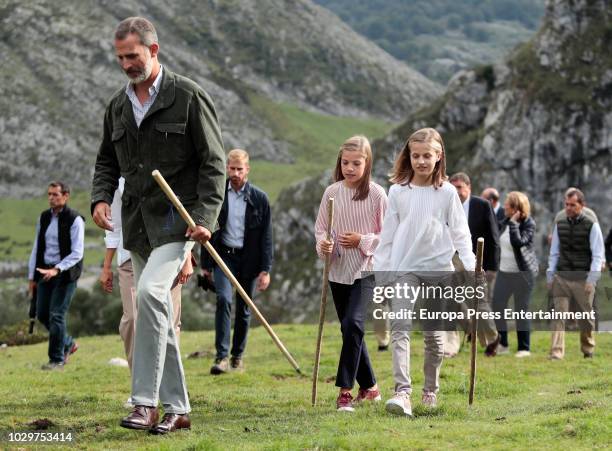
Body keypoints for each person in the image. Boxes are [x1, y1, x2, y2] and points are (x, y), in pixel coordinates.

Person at [91, 17, 225, 434]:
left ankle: (145, 402)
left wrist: (204, 220)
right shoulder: (117, 105)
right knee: (156, 308)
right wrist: (99, 196)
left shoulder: (187, 96)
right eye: (120, 58)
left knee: (150, 293)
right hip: (136, 224)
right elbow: (106, 161)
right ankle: (178, 409)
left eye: (132, 55)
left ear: (154, 50)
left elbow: (214, 164)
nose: (126, 64)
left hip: (178, 222)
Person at [373, 128, 476, 416]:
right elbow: (388, 237)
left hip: (438, 271)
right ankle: (402, 392)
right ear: (409, 156)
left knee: (433, 336)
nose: (420, 161)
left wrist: (470, 267)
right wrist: (382, 276)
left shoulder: (447, 193)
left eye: (426, 156)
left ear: (438, 156)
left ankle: (430, 391)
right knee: (400, 328)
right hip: (405, 269)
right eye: (415, 155)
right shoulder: (398, 191)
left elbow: (460, 233)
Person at [315, 135, 386, 412]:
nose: (350, 168)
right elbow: (321, 227)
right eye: (346, 162)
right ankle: (370, 388)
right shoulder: (331, 192)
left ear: (367, 164)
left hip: (366, 270)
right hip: (338, 270)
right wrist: (324, 244)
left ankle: (345, 391)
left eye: (356, 163)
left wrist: (363, 240)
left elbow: (389, 237)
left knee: (353, 324)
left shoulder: (378, 194)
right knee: (350, 327)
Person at [99, 177, 193, 376]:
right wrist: (106, 266)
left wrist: (186, 259)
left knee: (169, 321)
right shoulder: (120, 179)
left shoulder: (169, 167)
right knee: (133, 319)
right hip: (129, 257)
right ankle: (139, 387)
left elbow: (182, 212)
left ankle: (169, 386)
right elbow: (114, 225)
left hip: (169, 253)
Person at [202, 149, 273, 375]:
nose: (234, 173)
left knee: (244, 309)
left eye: (239, 169)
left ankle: (237, 356)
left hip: (249, 260)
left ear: (247, 170)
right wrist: (206, 265)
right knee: (223, 299)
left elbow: (267, 236)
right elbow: (207, 230)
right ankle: (221, 357)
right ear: (226, 168)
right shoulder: (218, 195)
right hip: (224, 256)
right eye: (231, 169)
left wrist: (265, 269)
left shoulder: (260, 199)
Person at [28, 181, 83, 370]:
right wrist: (31, 278)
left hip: (66, 274)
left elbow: (77, 253)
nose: (51, 198)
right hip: (44, 272)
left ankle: (57, 359)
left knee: (56, 315)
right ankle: (68, 343)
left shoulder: (75, 219)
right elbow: (37, 247)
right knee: (42, 314)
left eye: (55, 194)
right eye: (49, 194)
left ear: (66, 196)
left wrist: (58, 269)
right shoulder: (43, 218)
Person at [547, 188, 605, 360]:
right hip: (562, 277)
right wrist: (551, 276)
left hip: (583, 278)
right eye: (566, 204)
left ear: (581, 205)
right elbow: (554, 252)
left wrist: (592, 279)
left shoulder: (591, 225)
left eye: (573, 205)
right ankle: (556, 352)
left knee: (586, 318)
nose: (569, 208)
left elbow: (597, 254)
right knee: (558, 315)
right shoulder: (560, 223)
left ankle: (588, 349)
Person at [447, 172, 500, 357]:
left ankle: (492, 338)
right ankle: (462, 335)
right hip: (452, 259)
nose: (456, 191)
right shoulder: (446, 204)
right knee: (449, 299)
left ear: (468, 187)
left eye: (459, 187)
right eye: (453, 188)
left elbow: (493, 238)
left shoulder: (482, 205)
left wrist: (492, 267)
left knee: (478, 301)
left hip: (477, 260)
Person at [491, 192, 538, 357]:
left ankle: (524, 348)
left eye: (508, 205)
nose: (504, 207)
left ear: (516, 209)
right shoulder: (504, 222)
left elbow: (518, 242)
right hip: (504, 273)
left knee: (521, 310)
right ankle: (502, 343)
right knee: (497, 306)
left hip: (523, 275)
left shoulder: (528, 224)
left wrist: (513, 224)